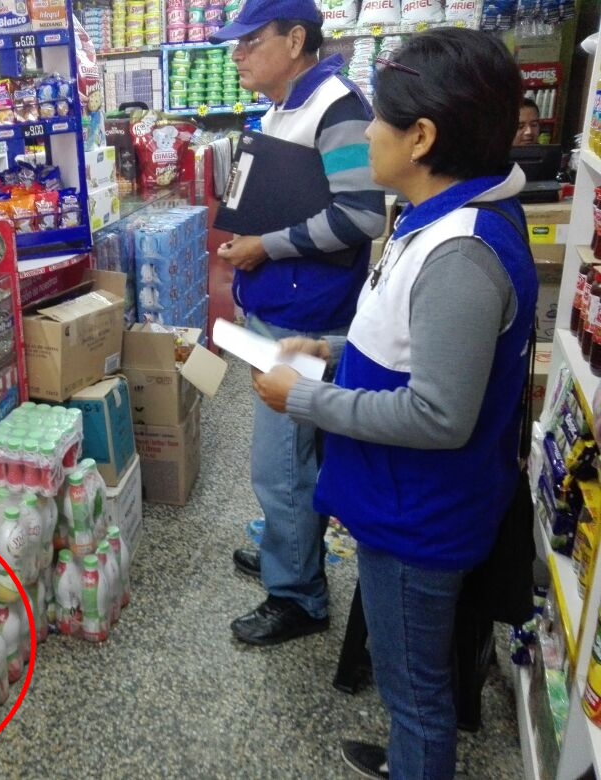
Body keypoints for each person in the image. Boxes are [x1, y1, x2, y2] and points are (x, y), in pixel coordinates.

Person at [253, 27, 536, 779]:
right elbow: (414, 341)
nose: (367, 131)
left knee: (415, 694)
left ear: (422, 138)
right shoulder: (437, 216)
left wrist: (307, 398)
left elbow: (439, 416)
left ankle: (418, 762)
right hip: (401, 499)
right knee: (410, 674)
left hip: (419, 518)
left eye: (381, 117)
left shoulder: (462, 252)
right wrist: (332, 351)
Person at [208, 0, 385, 646]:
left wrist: (266, 246)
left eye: (250, 41)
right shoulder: (285, 106)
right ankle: (289, 551)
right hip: (280, 306)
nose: (238, 55)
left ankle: (298, 596)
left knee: (281, 463)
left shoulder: (334, 107)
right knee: (290, 454)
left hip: (306, 317)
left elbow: (361, 215)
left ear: (295, 39)